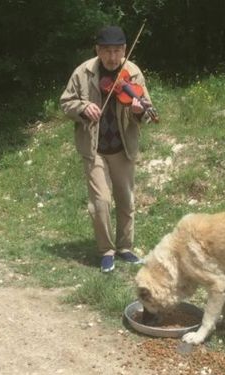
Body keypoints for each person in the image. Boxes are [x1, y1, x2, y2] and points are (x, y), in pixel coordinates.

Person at [60, 25, 153, 272]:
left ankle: (125, 247)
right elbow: (65, 102)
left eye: (118, 51)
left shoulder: (132, 73)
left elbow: (145, 107)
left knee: (126, 199)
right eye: (107, 51)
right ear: (98, 50)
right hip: (94, 148)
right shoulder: (83, 72)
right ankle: (106, 250)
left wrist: (139, 111)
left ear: (124, 49)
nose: (113, 58)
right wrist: (82, 107)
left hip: (122, 147)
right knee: (101, 201)